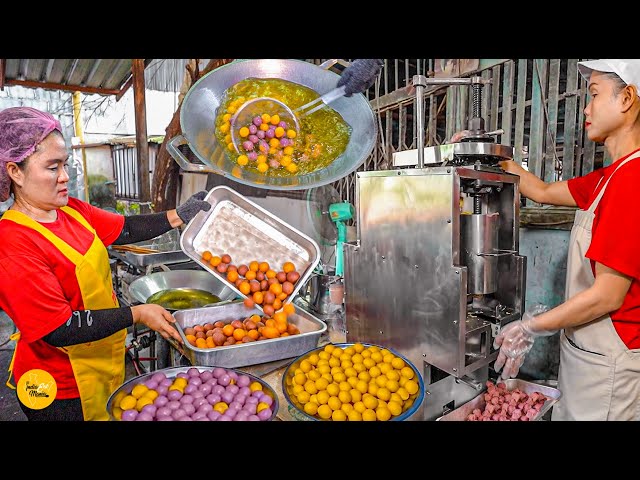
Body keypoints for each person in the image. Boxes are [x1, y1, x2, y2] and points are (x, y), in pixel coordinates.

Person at [0, 106, 212, 421]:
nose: (65, 177)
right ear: (14, 171)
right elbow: (59, 328)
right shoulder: (13, 241)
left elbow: (124, 228)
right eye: (52, 167)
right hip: (59, 386)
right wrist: (138, 313)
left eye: (66, 164)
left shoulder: (70, 210)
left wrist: (179, 215)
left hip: (100, 361)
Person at [491, 59, 640, 421]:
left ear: (626, 98)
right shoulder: (609, 177)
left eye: (594, 94)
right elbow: (540, 190)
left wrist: (529, 327)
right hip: (587, 353)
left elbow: (608, 294)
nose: (585, 109)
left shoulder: (632, 180)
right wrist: (492, 155)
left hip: (611, 363)